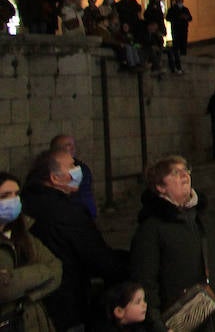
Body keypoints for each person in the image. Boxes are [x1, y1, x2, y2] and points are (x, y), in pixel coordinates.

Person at [130, 155, 215, 330]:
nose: (184, 175)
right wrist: (155, 323)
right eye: (175, 173)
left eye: (186, 170)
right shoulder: (151, 228)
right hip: (182, 317)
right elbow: (146, 281)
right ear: (161, 187)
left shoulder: (203, 218)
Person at [23, 149, 129, 332]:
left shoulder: (25, 201)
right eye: (72, 166)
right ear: (54, 178)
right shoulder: (67, 212)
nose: (77, 169)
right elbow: (98, 258)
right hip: (65, 309)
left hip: (32, 308)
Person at [0, 170, 62, 332]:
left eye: (16, 194)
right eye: (5, 196)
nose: (13, 200)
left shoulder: (23, 234)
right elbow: (4, 290)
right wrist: (42, 271)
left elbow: (56, 269)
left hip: (33, 323)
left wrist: (23, 290)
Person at [49, 134, 97, 220]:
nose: (73, 148)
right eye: (68, 145)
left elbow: (88, 191)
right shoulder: (48, 170)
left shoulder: (82, 168)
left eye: (73, 145)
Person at [168, 0, 192, 65]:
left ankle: (183, 58)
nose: (181, 3)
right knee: (176, 46)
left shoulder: (185, 9)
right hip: (176, 30)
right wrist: (178, 17)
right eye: (179, 1)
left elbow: (190, 18)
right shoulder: (172, 10)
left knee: (183, 45)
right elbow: (168, 18)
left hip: (184, 30)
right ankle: (177, 61)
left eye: (181, 1)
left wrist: (186, 17)